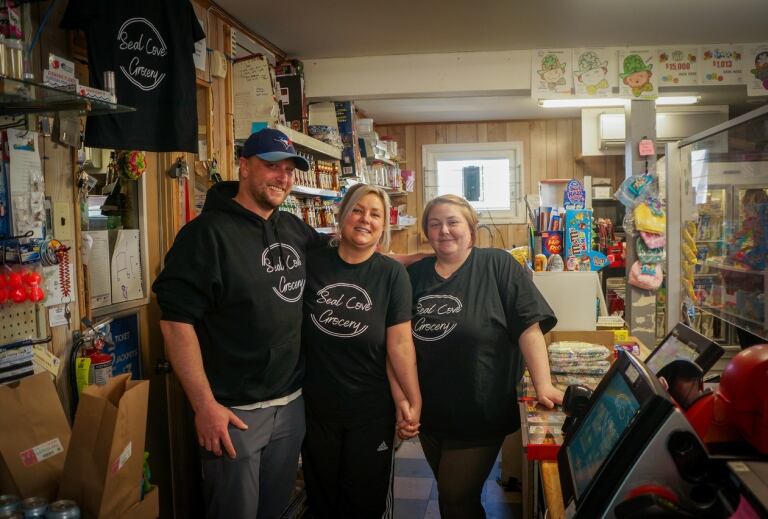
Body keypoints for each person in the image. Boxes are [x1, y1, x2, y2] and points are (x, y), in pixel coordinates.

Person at [152, 128, 331, 519]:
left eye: (289, 170)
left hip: (291, 403)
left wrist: (422, 260)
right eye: (271, 166)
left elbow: (345, 261)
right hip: (234, 412)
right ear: (245, 167)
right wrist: (204, 405)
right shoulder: (205, 235)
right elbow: (175, 324)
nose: (282, 177)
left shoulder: (293, 228)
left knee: (273, 510)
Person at [407, 194, 563, 519]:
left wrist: (543, 384)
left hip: (481, 409)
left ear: (471, 230)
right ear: (426, 232)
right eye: (434, 224)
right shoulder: (415, 274)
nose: (444, 231)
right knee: (460, 501)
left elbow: (528, 328)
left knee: (453, 497)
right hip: (430, 414)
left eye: (453, 222)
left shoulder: (497, 265)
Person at [301, 183, 422, 518]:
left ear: (383, 225)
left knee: (364, 503)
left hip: (370, 411)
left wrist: (412, 399)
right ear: (342, 216)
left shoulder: (391, 274)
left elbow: (399, 343)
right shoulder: (312, 264)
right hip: (316, 410)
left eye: (375, 214)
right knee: (322, 500)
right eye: (357, 210)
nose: (365, 219)